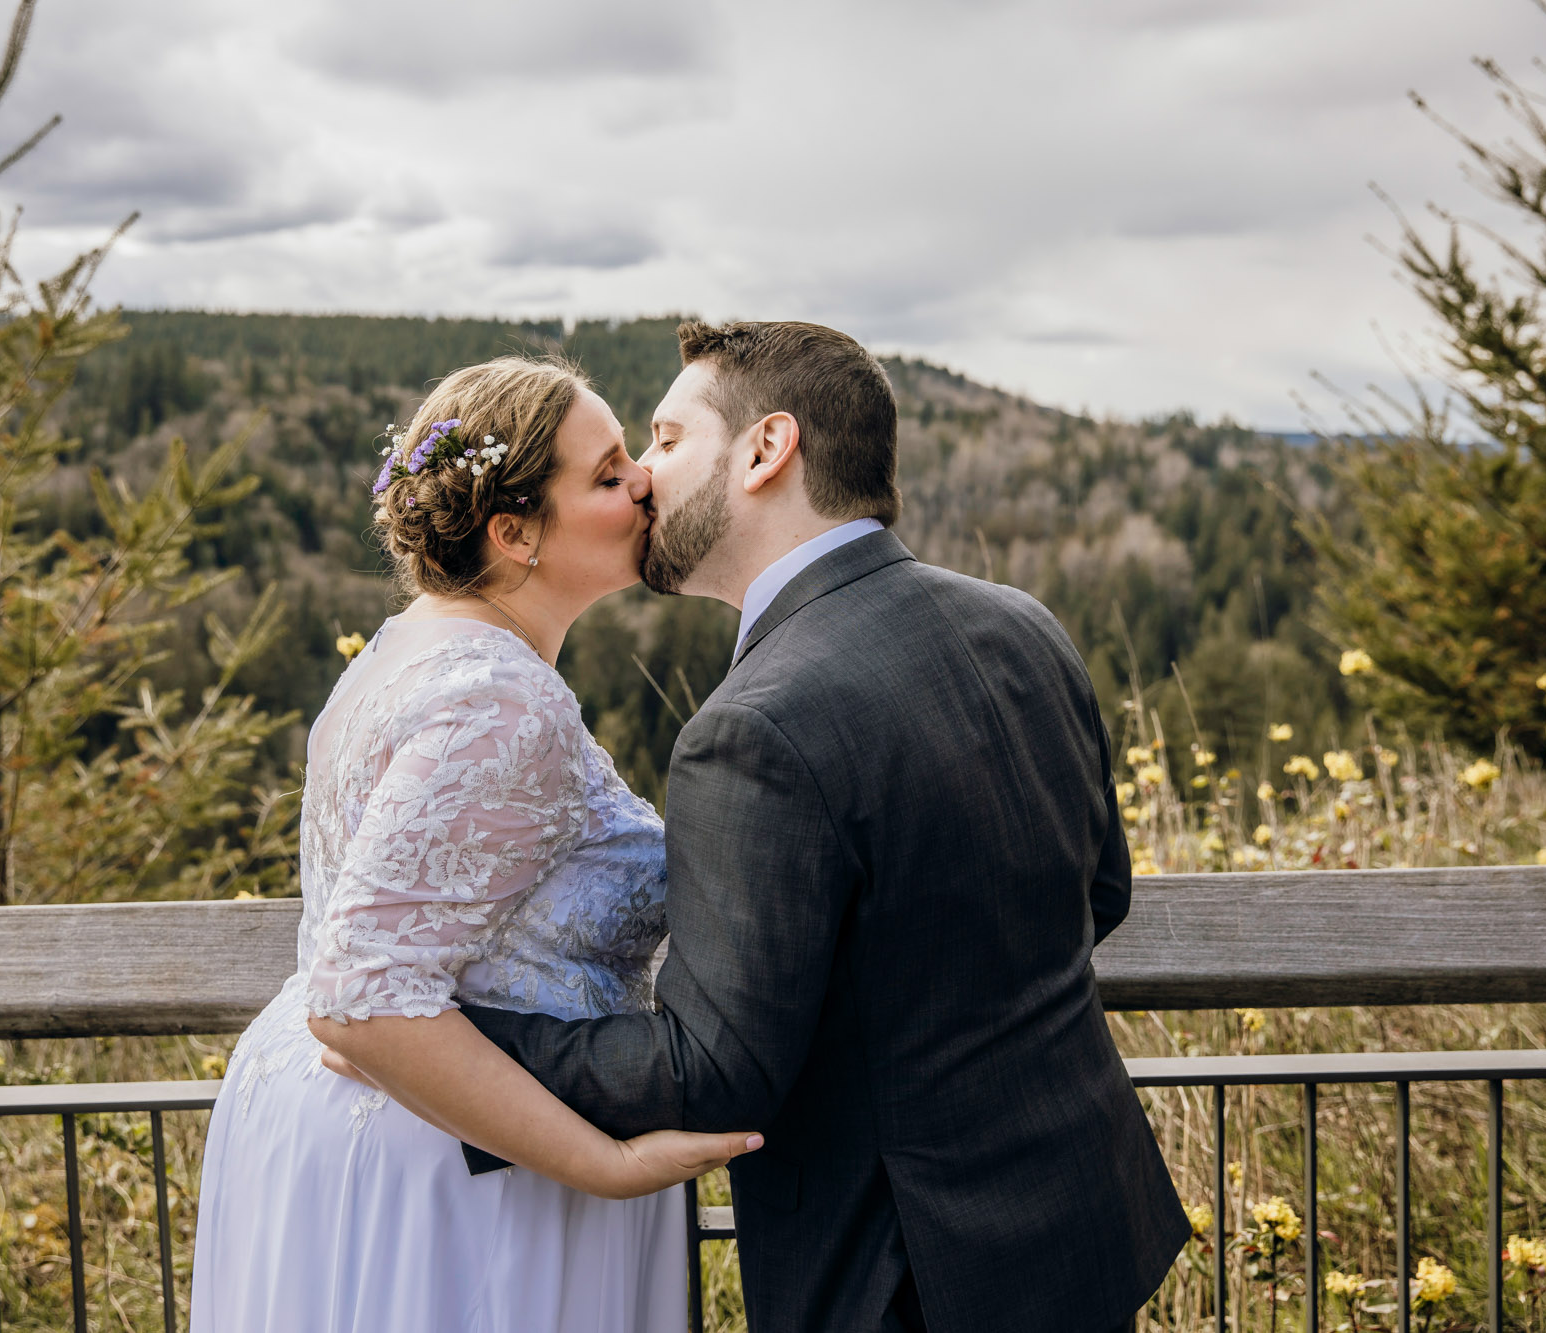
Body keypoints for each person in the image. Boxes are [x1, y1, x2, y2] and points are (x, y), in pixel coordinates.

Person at [435, 321, 1191, 1332]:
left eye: (665, 438)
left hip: (906, 1272)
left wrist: (445, 1048)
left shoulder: (752, 728)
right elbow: (1098, 893)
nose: (644, 479)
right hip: (1082, 1226)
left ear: (765, 448)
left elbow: (712, 1073)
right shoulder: (1021, 622)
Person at [188, 356, 760, 1333]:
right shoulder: (499, 700)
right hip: (463, 1163)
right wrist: (603, 1162)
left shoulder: (406, 649)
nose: (643, 483)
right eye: (608, 471)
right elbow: (361, 998)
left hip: (375, 1128)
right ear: (512, 532)